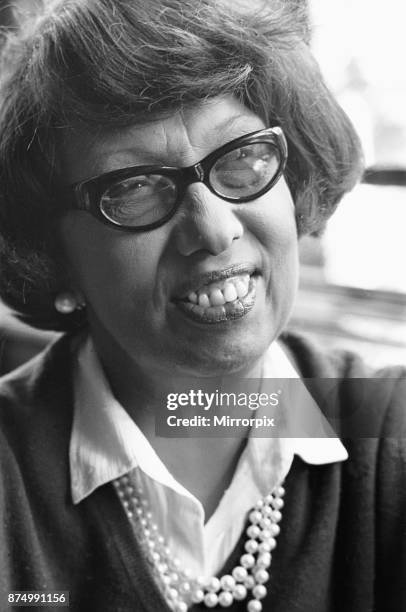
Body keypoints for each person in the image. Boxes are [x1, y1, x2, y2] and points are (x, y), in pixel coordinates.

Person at [0, 1, 405, 611]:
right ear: (52, 258)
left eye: (242, 156)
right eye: (134, 187)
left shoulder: (391, 433)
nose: (214, 231)